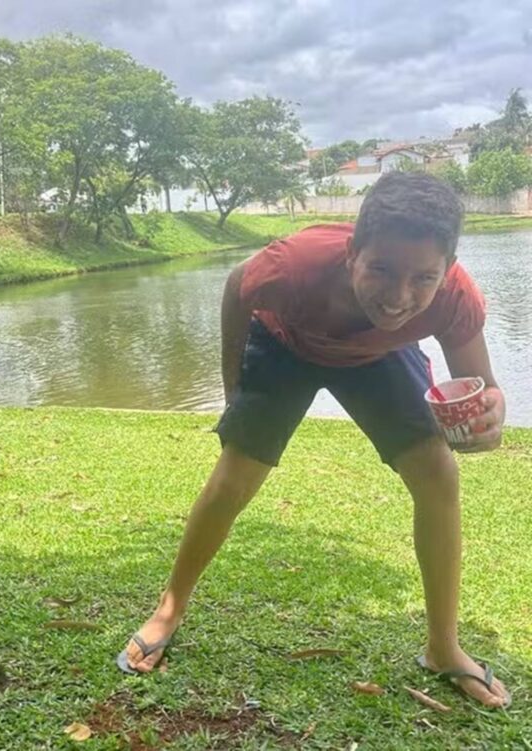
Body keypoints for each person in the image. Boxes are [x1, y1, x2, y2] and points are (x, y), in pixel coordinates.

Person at [119, 172, 510, 708]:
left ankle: (443, 646)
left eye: (424, 278)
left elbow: (483, 391)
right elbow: (238, 286)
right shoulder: (293, 265)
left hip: (376, 357)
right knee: (235, 478)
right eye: (382, 270)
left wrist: (490, 417)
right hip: (286, 344)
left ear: (448, 271)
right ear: (352, 253)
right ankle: (169, 607)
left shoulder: (455, 298)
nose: (400, 297)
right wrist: (236, 390)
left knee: (438, 473)